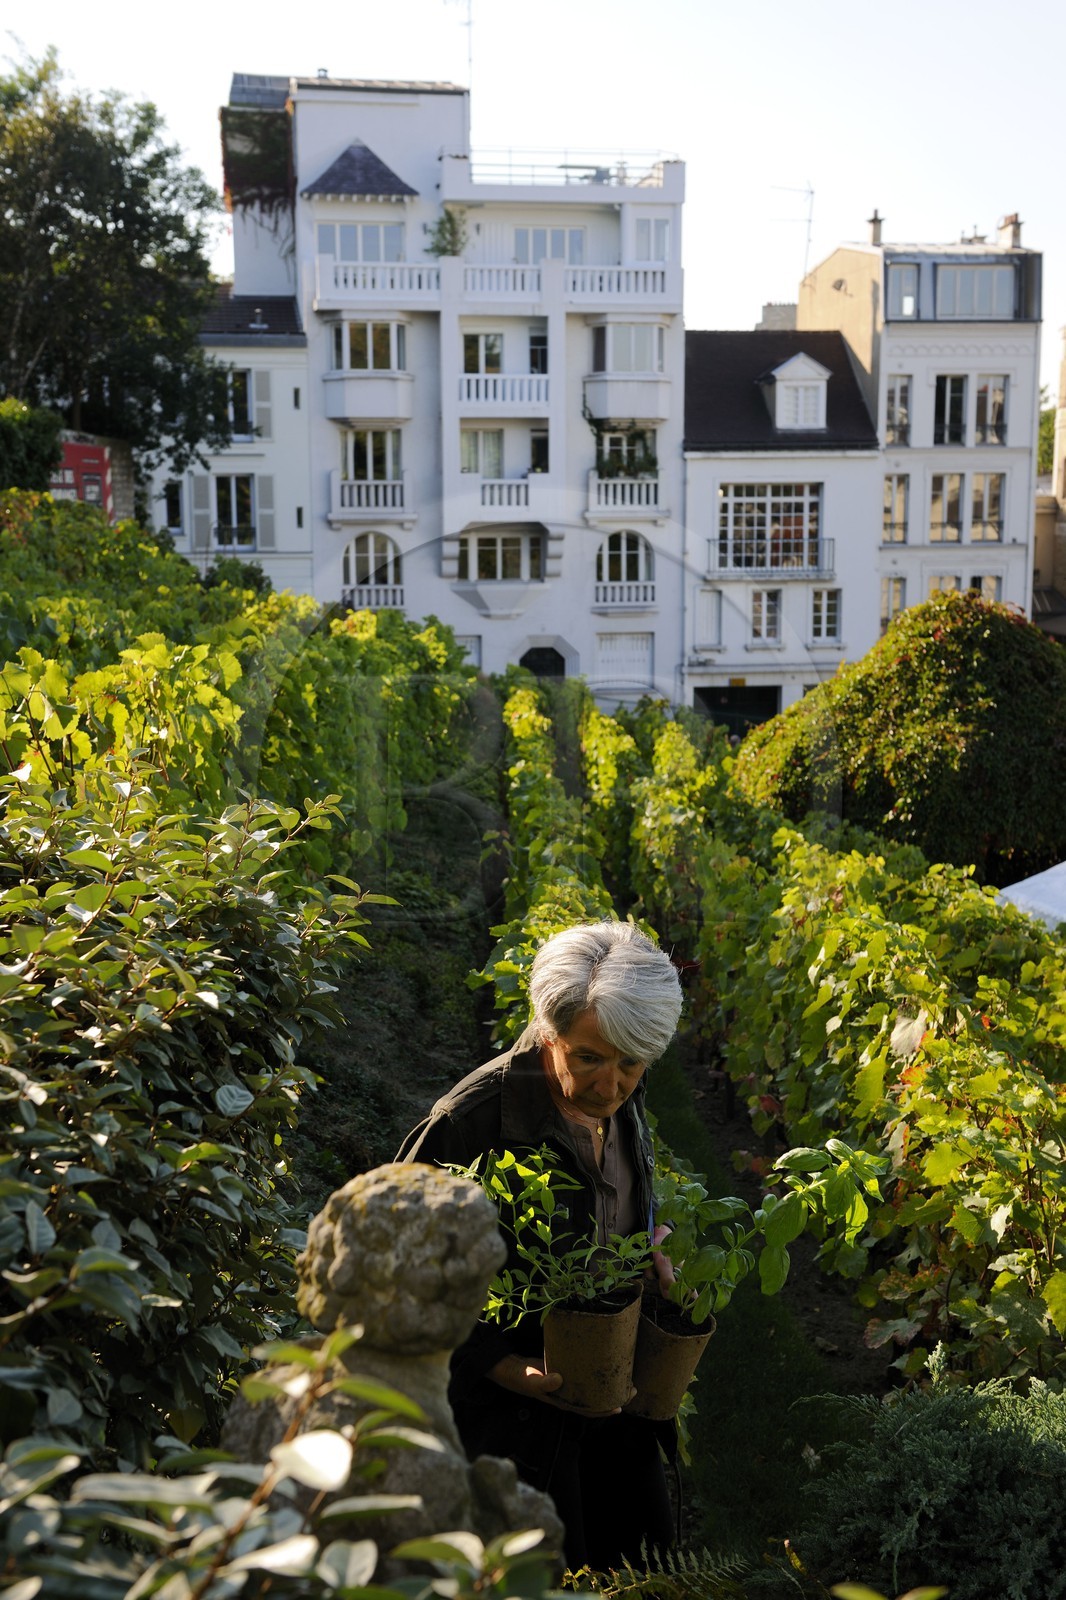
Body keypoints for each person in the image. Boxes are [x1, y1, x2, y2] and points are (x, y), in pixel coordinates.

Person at [396, 920, 683, 1573]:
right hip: (507, 1428)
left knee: (629, 1566)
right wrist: (497, 1363)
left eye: (631, 1064)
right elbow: (395, 1270)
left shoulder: (620, 1100)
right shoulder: (469, 1124)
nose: (610, 1086)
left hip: (606, 1405)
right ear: (550, 1032)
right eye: (588, 1059)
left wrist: (642, 1250)